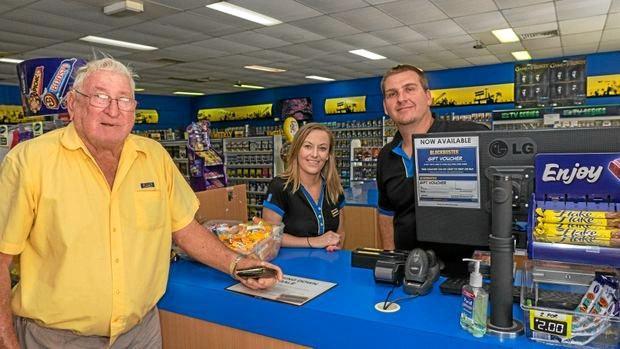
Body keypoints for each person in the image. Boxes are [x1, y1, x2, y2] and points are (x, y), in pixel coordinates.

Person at [0, 57, 282, 349]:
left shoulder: (154, 157)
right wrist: (6, 339)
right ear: (73, 104)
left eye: (124, 100)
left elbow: (185, 229)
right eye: (100, 97)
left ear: (134, 110)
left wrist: (238, 264)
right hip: (56, 340)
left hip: (140, 333)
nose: (113, 110)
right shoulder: (29, 162)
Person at [377, 64, 488, 273]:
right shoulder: (386, 155)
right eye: (392, 94)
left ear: (428, 97)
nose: (401, 98)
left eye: (409, 89)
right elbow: (386, 212)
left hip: (466, 273)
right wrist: (390, 257)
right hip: (410, 269)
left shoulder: (471, 136)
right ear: (385, 106)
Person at [262, 123, 345, 251]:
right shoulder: (279, 187)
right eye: (307, 146)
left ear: (328, 155)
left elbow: (340, 232)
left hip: (326, 266)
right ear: (296, 150)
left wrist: (336, 246)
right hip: (289, 268)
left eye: (322, 148)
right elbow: (270, 236)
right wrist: (313, 242)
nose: (315, 154)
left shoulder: (334, 188)